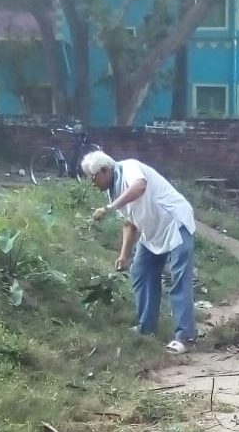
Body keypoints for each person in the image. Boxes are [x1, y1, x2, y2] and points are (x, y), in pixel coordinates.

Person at [84, 151, 197, 354]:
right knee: (140, 272)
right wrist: (124, 254)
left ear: (105, 170)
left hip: (174, 222)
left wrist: (108, 209)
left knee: (179, 279)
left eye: (93, 178)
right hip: (152, 232)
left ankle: (185, 337)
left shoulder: (129, 167)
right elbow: (130, 223)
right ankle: (146, 328)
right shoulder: (114, 190)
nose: (92, 183)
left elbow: (140, 186)